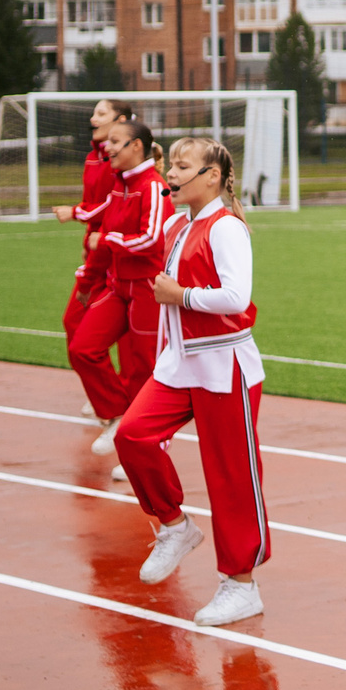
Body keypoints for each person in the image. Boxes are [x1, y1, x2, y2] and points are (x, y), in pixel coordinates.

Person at [114, 137, 271, 629]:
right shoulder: (179, 225)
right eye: (172, 166)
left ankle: (241, 585)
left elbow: (236, 297)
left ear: (212, 176)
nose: (172, 174)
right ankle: (175, 526)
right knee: (132, 435)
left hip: (224, 365)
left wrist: (181, 295)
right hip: (180, 364)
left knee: (230, 477)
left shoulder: (226, 228)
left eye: (183, 167)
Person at [67, 118, 168, 452]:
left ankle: (149, 441)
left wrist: (109, 240)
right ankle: (118, 416)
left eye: (114, 141)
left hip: (147, 289)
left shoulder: (154, 186)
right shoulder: (118, 186)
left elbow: (152, 239)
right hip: (117, 287)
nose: (106, 148)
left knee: (144, 368)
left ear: (135, 146)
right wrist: (87, 280)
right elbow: (102, 234)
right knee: (83, 348)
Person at [55, 98, 133, 416]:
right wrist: (88, 239)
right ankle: (110, 398)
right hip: (97, 254)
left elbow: (114, 204)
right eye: (94, 113)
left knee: (127, 341)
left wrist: (75, 212)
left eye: (101, 113)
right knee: (75, 324)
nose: (93, 119)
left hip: (116, 256)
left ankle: (120, 408)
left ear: (121, 120)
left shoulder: (125, 164)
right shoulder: (93, 158)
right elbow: (97, 203)